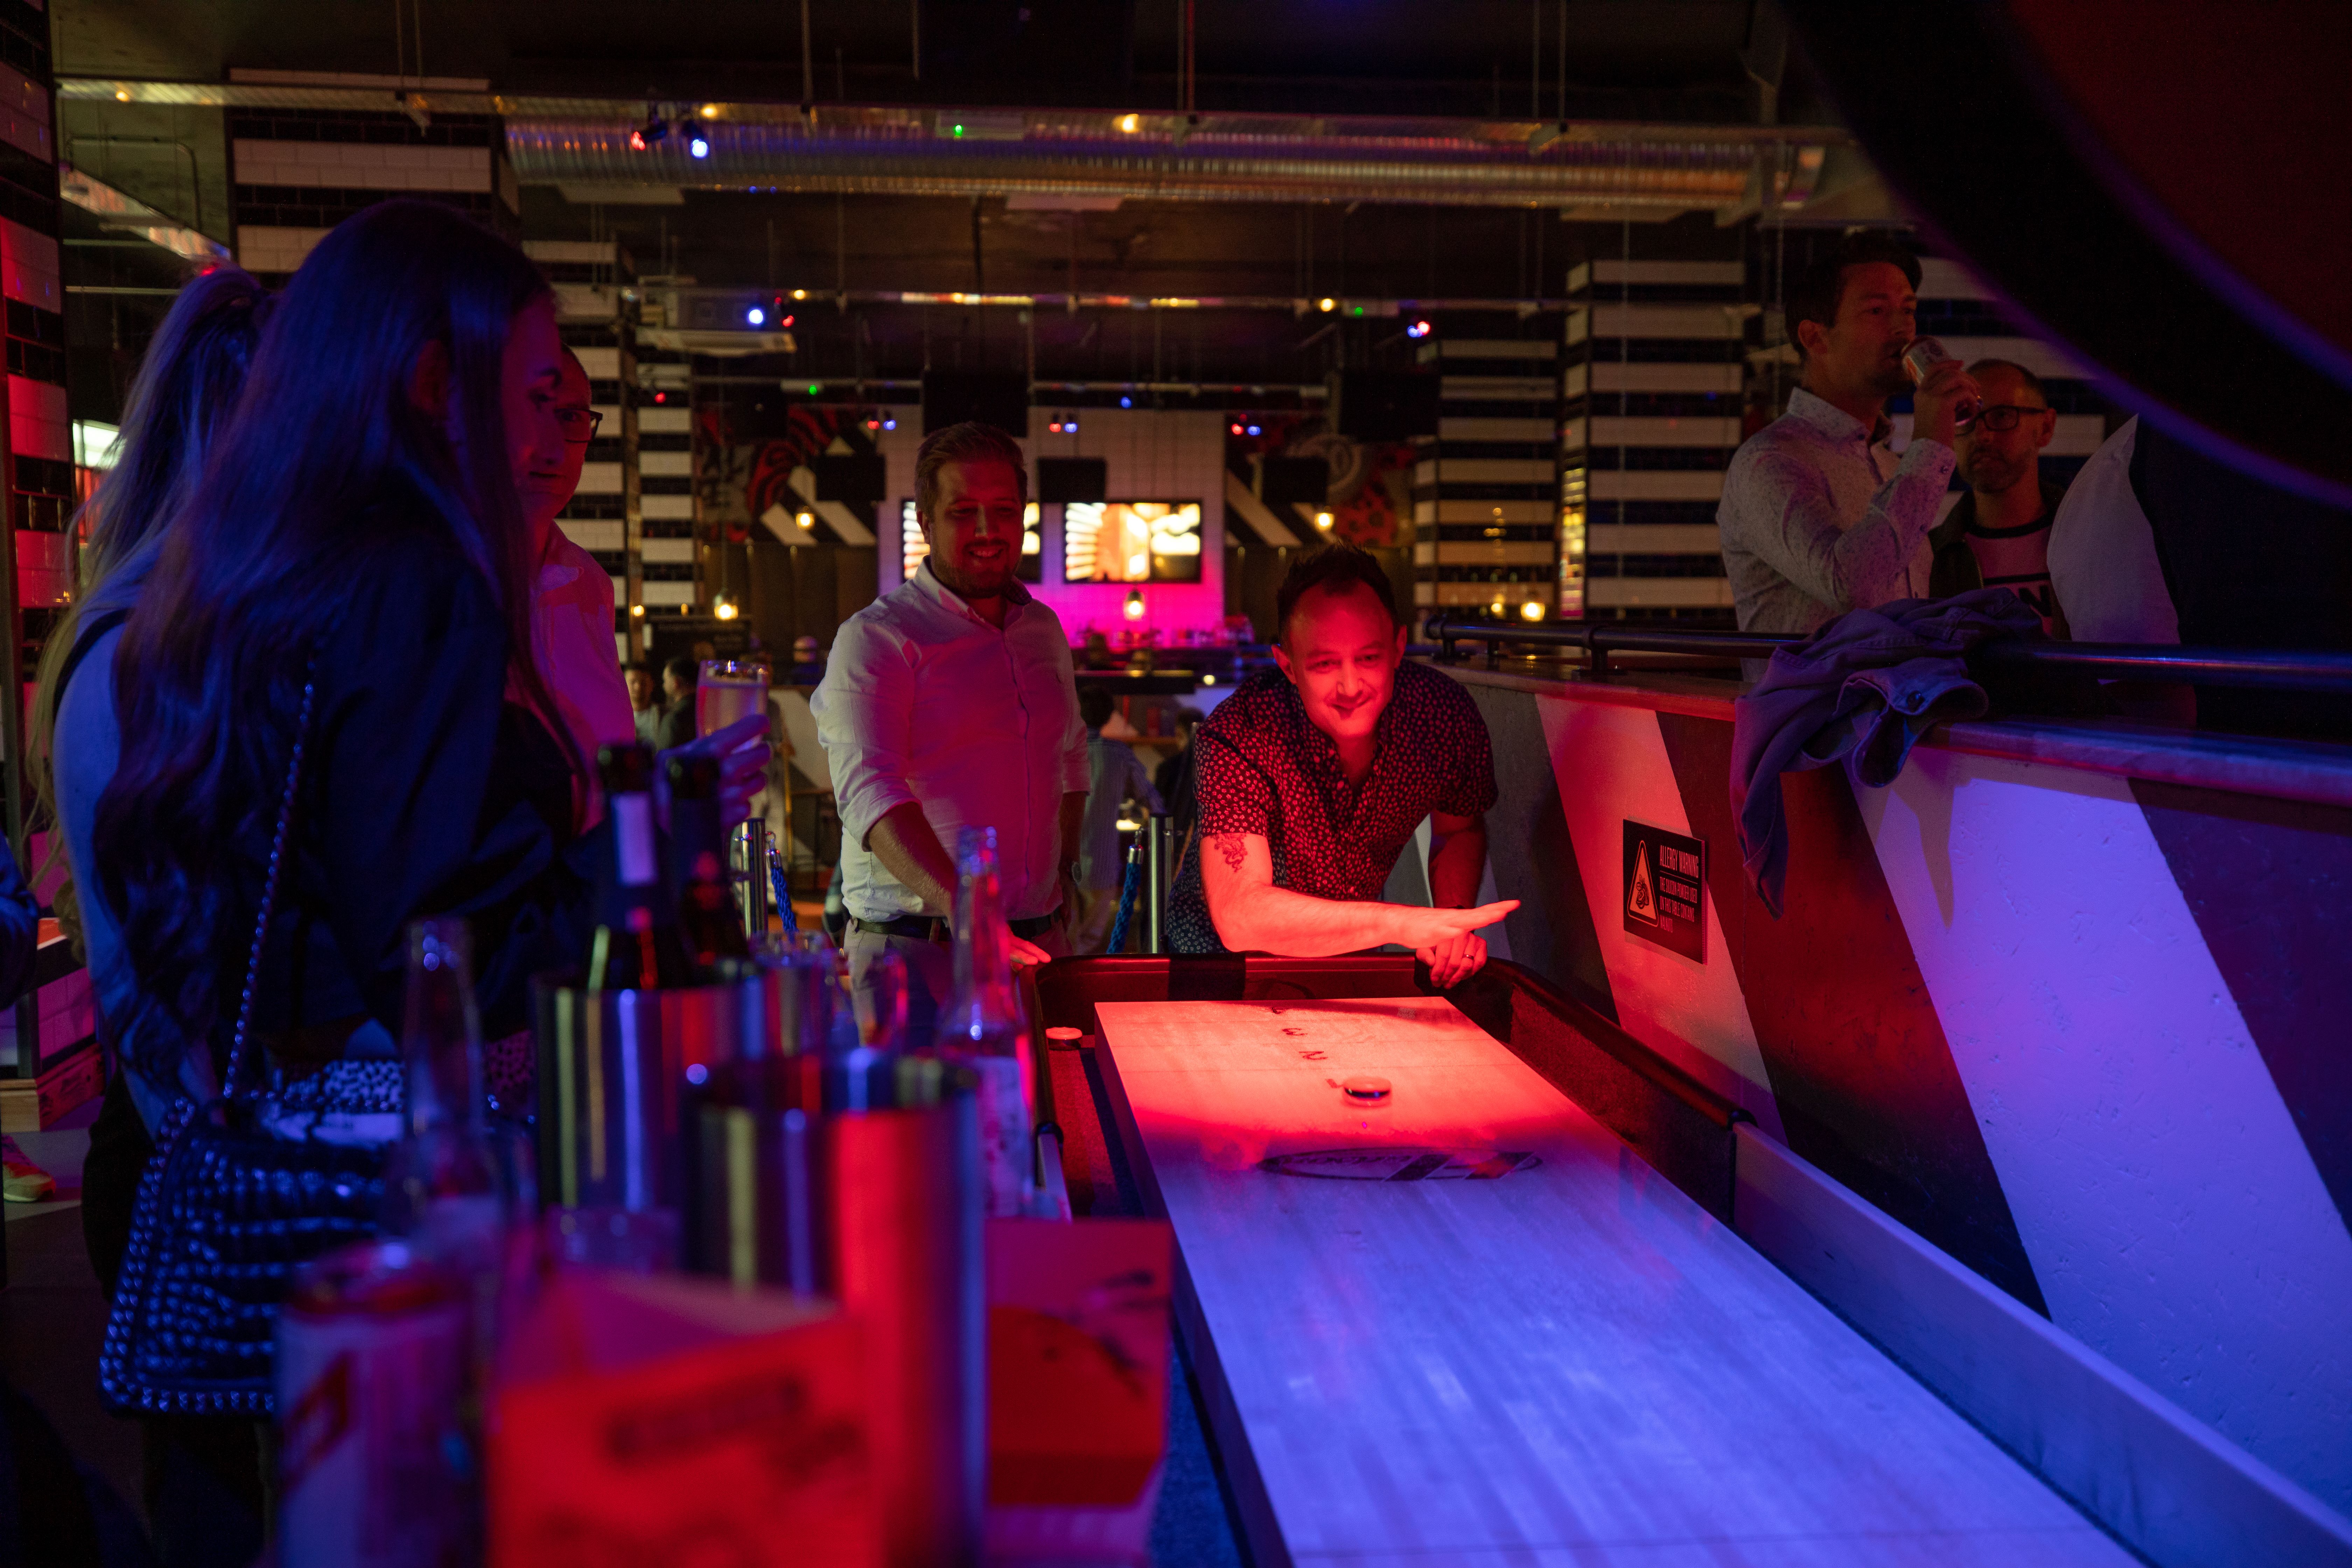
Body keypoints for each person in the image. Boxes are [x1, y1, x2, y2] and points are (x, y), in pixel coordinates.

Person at [50, 200, 613, 1566]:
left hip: (236, 1171)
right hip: (376, 1204)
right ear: (435, 383)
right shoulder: (413, 578)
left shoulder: (232, 576)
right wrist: (622, 871)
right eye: (533, 391)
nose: (556, 438)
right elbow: (445, 948)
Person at [812, 421, 1087, 1037]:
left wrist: (1065, 871)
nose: (989, 531)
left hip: (1040, 949)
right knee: (921, 1136)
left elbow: (1071, 756)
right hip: (918, 955)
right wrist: (970, 914)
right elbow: (871, 795)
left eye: (1004, 511)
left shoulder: (1043, 630)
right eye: (964, 512)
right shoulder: (877, 637)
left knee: (1044, 1130)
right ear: (927, 525)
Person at [1163, 545, 1516, 987]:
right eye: (1326, 664)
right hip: (1221, 973)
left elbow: (1459, 827)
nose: (1350, 686)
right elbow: (1241, 915)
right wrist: (1402, 924)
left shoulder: (1442, 716)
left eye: (1367, 658)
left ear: (1398, 647)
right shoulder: (1242, 731)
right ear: (1289, 666)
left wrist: (1452, 921)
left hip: (1348, 967)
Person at [1719, 232, 1981, 635]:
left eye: (1908, 310)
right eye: (1877, 311)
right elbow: (1852, 587)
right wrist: (1929, 446)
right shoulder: (1771, 460)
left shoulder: (1890, 464)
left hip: (1902, 697)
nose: (1902, 328)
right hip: (1821, 699)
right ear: (1816, 338)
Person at [524, 345, 637, 824]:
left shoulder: (588, 583)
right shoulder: (424, 578)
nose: (552, 446)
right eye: (533, 410)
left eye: (571, 417)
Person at [1927, 359, 2068, 637]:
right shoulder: (1932, 557)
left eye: (2003, 415)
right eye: (1963, 417)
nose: (1983, 435)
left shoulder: (2089, 538)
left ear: (2046, 427)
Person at [1072, 684, 1163, 953]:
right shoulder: (1119, 753)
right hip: (1102, 861)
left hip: (1060, 862)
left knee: (1065, 938)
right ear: (1110, 716)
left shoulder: (1061, 750)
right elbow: (1153, 800)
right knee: (1091, 939)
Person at [1155, 707, 1202, 846]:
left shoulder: (1167, 768)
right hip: (1200, 842)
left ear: (1180, 733)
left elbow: (1157, 807)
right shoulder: (1212, 767)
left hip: (1170, 839)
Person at [656, 653, 699, 749]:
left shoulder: (673, 719)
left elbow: (665, 760)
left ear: (676, 682)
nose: (663, 685)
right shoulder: (710, 710)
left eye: (665, 681)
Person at [625, 662, 662, 746]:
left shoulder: (664, 715)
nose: (638, 687)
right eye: (633, 682)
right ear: (624, 684)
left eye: (643, 683)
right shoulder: (615, 717)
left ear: (652, 685)